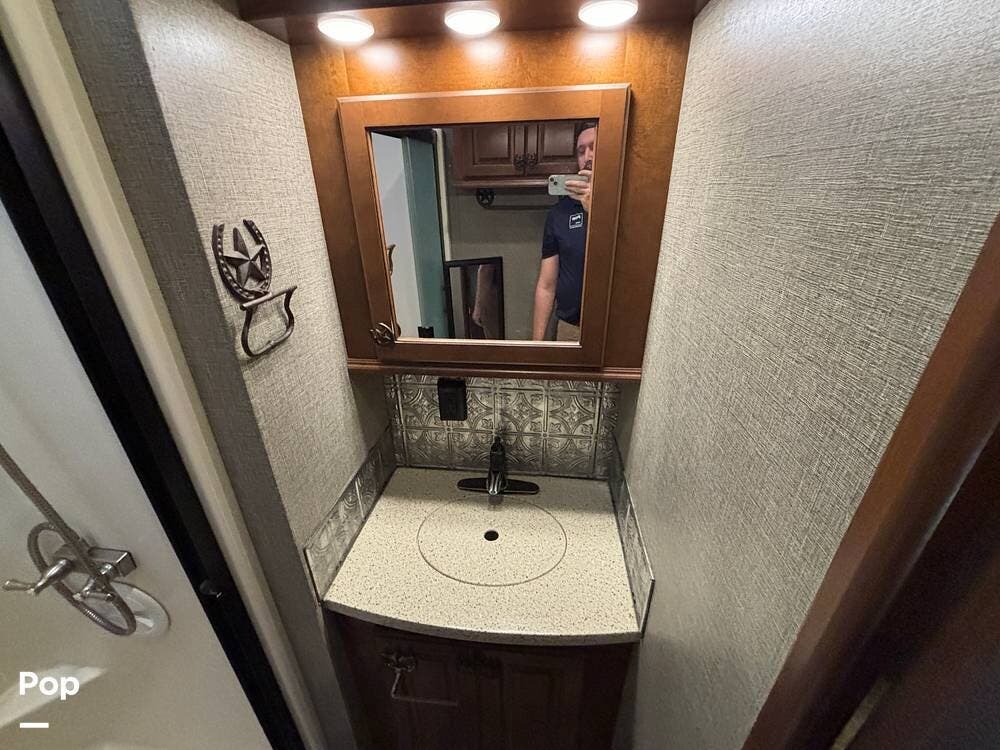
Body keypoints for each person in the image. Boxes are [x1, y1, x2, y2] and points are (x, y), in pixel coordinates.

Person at [531, 121, 596, 341]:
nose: (587, 156)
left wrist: (596, 209)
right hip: (570, 328)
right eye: (581, 151)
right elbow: (546, 285)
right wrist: (536, 345)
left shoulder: (627, 207)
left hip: (612, 330)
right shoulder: (559, 214)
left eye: (594, 147)